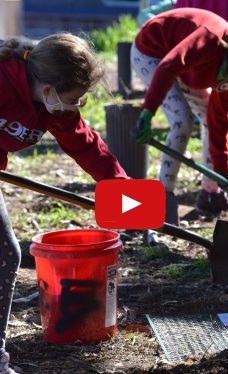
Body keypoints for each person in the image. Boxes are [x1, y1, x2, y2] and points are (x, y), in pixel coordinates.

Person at [0, 33, 128, 374]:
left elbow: (86, 145)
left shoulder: (55, 106)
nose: (77, 106)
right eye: (76, 98)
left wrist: (122, 191)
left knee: (4, 254)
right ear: (49, 87)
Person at [131, 7, 228, 225]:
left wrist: (224, 170)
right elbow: (168, 66)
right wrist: (148, 111)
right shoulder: (210, 40)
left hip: (187, 71)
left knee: (206, 118)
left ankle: (210, 193)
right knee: (182, 122)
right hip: (152, 52)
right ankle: (163, 198)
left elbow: (217, 123)